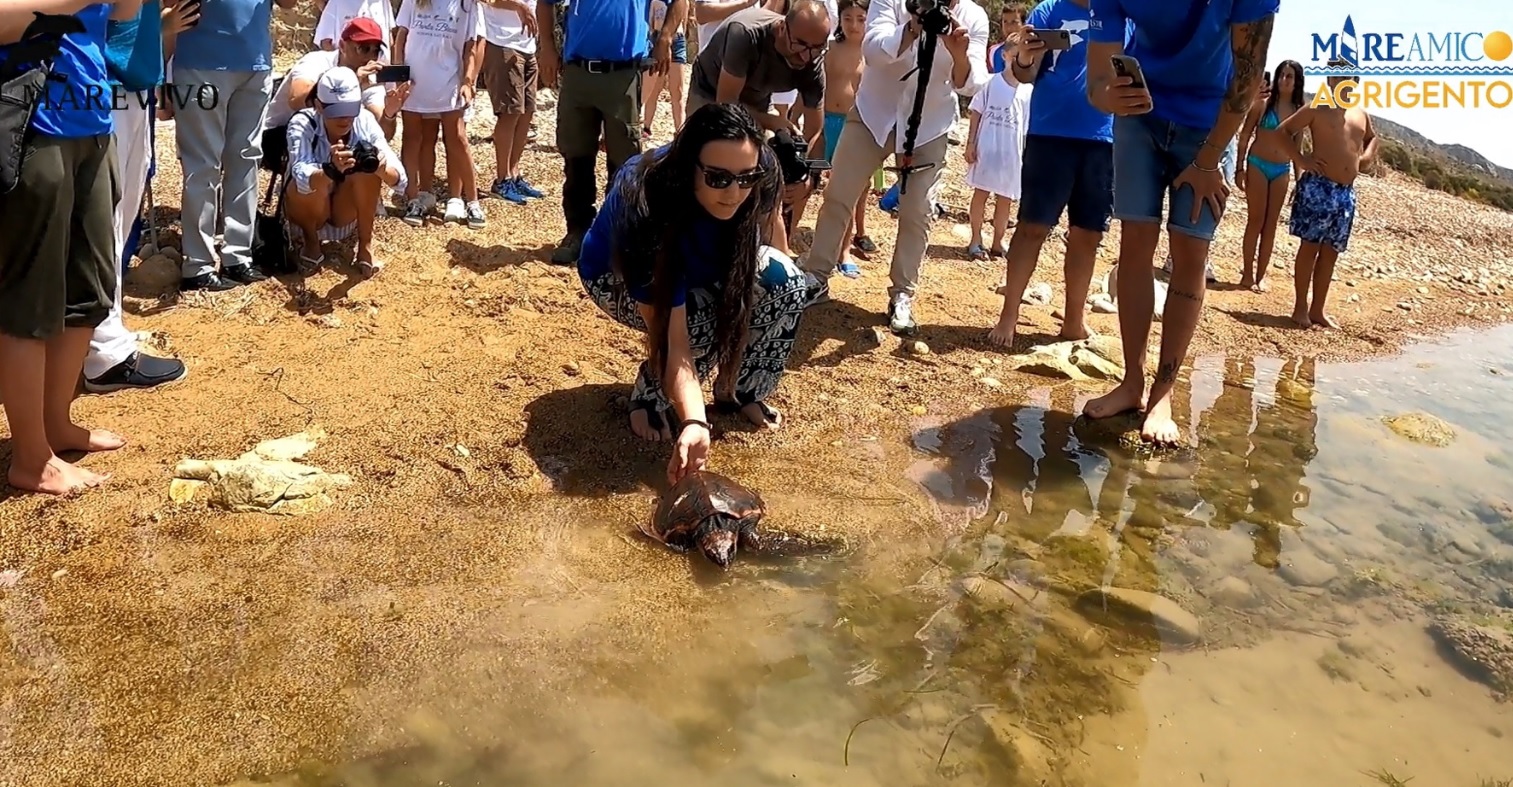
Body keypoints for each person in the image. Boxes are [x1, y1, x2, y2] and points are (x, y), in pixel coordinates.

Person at [577, 104, 814, 477]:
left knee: (787, 282)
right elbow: (675, 340)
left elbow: (770, 232)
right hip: (616, 275)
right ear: (690, 168)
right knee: (700, 318)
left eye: (746, 178)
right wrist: (695, 422)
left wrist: (773, 296)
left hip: (707, 263)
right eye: (719, 179)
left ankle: (739, 391)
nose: (735, 192)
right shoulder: (643, 201)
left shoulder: (759, 172)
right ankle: (651, 396)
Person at [1080, 0, 1277, 445]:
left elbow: (1246, 82)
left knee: (1190, 252)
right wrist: (1103, 94)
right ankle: (1132, 382)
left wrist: (1209, 161)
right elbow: (1096, 80)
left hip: (1212, 123)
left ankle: (1163, 392)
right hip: (1139, 117)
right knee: (1135, 246)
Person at [0, 0, 140, 495]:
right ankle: (31, 457)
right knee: (29, 296)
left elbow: (121, 23)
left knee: (90, 285)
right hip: (31, 126)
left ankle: (55, 423)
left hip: (92, 123)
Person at [800, 0, 988, 335]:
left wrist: (957, 52)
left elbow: (969, 85)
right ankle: (817, 276)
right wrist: (912, 28)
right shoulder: (892, 1)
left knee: (917, 211)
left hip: (930, 124)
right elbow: (872, 51)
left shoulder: (973, 17)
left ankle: (902, 294)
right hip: (874, 114)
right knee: (839, 192)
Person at [82, 0, 195, 393]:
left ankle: (97, 338)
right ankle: (102, 351)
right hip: (106, 83)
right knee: (104, 222)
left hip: (130, 83)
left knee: (115, 218)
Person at [987, 0, 1110, 349]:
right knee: (1033, 227)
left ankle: (1074, 321)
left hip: (1104, 136)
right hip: (1049, 132)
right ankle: (1008, 314)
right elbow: (1025, 75)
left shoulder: (1119, 10)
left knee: (1088, 233)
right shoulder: (1047, 11)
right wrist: (1025, 55)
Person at [537, 0, 685, 264]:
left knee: (624, 161)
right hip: (577, 72)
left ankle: (616, 235)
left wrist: (666, 36)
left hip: (623, 73)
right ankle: (577, 231)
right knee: (576, 157)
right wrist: (546, 46)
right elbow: (545, 3)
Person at [173, 0, 293, 292]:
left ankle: (238, 256)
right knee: (202, 164)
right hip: (202, 62)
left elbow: (288, 4)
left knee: (247, 158)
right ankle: (198, 265)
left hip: (255, 62)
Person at [1276, 64, 1376, 330]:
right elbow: (1283, 131)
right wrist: (1301, 159)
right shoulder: (1317, 107)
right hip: (1319, 187)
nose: (1343, 81)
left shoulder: (1360, 113)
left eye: (1349, 77)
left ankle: (1318, 309)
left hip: (1345, 195)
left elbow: (1372, 138)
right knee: (1309, 248)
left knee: (1331, 253)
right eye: (1337, 76)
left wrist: (1365, 158)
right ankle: (1300, 308)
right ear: (1330, 78)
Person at [285, 67, 407, 277]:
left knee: (370, 168)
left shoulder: (365, 120)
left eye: (350, 110)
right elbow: (301, 175)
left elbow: (401, 180)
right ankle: (311, 242)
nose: (344, 118)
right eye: (335, 111)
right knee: (307, 181)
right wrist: (330, 171)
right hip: (309, 212)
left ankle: (365, 245)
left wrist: (380, 167)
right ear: (318, 106)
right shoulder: (303, 122)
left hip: (344, 214)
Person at [394, 0, 487, 229]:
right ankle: (414, 198)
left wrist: (468, 81)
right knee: (412, 138)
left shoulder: (468, 5)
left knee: (457, 138)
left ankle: (472, 201)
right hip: (414, 79)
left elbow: (470, 46)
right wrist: (398, 72)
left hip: (448, 80)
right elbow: (401, 37)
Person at [265, 19, 403, 145]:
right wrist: (352, 82)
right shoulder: (316, 61)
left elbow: (383, 136)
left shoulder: (369, 79)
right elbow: (296, 101)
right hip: (281, 132)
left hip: (325, 136)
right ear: (342, 46)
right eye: (364, 48)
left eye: (376, 50)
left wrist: (389, 114)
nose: (370, 56)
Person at [963, 4, 1029, 261]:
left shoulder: (1028, 90)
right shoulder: (990, 83)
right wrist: (971, 143)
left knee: (1005, 199)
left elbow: (1026, 126)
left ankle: (998, 242)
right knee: (981, 193)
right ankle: (975, 239)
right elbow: (976, 112)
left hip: (1012, 154)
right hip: (987, 149)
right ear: (1005, 55)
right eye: (1013, 54)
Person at [814, 0, 873, 276]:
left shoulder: (874, 54)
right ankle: (791, 241)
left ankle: (845, 249)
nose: (854, 25)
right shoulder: (830, 49)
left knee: (854, 191)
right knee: (814, 184)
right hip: (828, 122)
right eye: (848, 18)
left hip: (857, 125)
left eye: (860, 19)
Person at [1235, 59, 1302, 292]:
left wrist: (1300, 179)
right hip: (1257, 164)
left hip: (1282, 170)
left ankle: (1261, 275)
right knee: (1255, 219)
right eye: (1282, 75)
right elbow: (1244, 136)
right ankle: (1246, 273)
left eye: (1290, 76)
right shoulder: (1262, 105)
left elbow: (1297, 149)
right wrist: (1239, 168)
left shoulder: (1298, 112)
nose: (1284, 80)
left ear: (1297, 82)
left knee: (1271, 224)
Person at [479, 0, 544, 202]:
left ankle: (514, 173)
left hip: (527, 44)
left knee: (527, 111)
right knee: (510, 112)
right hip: (502, 43)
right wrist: (519, 7)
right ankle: (502, 179)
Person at [641, 0, 688, 137]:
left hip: (677, 39)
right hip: (656, 37)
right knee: (654, 89)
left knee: (677, 91)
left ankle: (680, 131)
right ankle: (647, 127)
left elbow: (683, 19)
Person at [314, 0, 394, 53]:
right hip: (349, 73)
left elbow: (389, 37)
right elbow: (326, 42)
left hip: (380, 70)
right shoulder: (337, 2)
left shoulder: (382, 1)